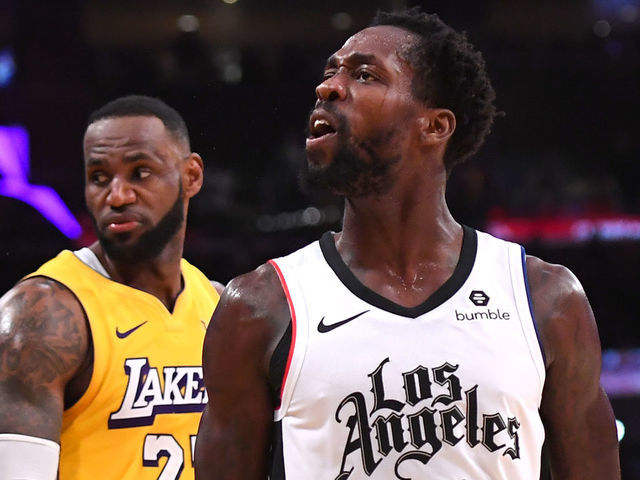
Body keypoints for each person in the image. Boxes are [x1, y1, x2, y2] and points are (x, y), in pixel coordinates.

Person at [194, 7, 621, 480]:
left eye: (364, 74)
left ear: (435, 126)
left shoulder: (546, 300)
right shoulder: (258, 307)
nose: (327, 87)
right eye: (330, 72)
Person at [0, 95, 222, 479]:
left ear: (192, 176)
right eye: (99, 177)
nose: (117, 196)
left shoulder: (218, 306)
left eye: (140, 172)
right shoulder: (41, 316)